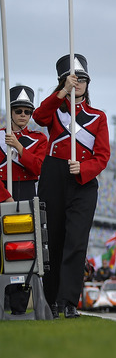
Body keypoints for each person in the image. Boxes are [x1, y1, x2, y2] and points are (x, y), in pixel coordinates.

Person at [32, 53, 110, 319]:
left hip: (82, 182)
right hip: (53, 175)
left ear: (89, 83)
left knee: (76, 241)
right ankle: (51, 300)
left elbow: (102, 155)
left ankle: (69, 301)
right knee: (52, 240)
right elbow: (39, 116)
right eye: (71, 80)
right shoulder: (55, 110)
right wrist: (62, 91)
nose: (77, 84)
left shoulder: (98, 117)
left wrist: (84, 169)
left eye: (81, 80)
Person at [1, 85, 47, 314]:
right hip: (3, 194)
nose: (22, 115)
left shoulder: (39, 139)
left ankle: (20, 304)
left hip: (28, 192)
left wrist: (18, 147)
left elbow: (38, 168)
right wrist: (4, 196)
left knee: (26, 247)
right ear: (10, 112)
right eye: (18, 110)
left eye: (27, 112)